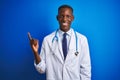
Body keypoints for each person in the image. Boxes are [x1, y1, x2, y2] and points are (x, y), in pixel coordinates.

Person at [28, 4, 91, 80]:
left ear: (72, 18)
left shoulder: (82, 40)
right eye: (61, 16)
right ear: (57, 18)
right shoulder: (47, 40)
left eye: (68, 16)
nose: (64, 19)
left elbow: (86, 71)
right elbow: (42, 69)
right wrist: (35, 52)